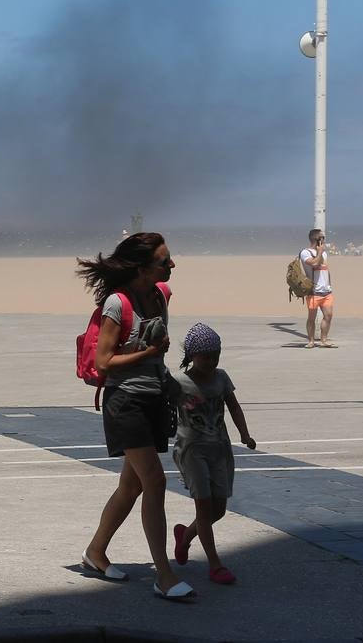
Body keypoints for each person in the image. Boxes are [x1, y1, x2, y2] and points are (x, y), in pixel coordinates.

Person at [76, 233, 193, 601]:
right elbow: (104, 362)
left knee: (133, 485)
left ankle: (95, 552)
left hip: (154, 398)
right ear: (142, 268)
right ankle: (164, 574)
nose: (171, 266)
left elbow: (156, 352)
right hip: (124, 402)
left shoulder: (159, 296)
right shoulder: (117, 303)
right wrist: (150, 352)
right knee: (155, 481)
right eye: (164, 261)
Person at [168, 323, 256, 585]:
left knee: (219, 509)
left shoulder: (221, 377)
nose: (211, 361)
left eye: (215, 355)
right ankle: (215, 564)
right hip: (192, 451)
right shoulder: (179, 382)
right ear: (192, 356)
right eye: (205, 356)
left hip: (220, 449)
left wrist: (244, 434)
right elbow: (164, 409)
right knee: (204, 506)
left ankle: (185, 537)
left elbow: (234, 407)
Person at [300, 229, 336, 348]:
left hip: (326, 291)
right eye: (322, 237)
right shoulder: (305, 252)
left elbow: (326, 269)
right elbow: (314, 263)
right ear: (317, 239)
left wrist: (329, 284)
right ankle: (311, 341)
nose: (324, 240)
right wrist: (320, 252)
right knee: (312, 317)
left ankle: (323, 340)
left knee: (328, 315)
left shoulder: (324, 254)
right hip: (314, 291)